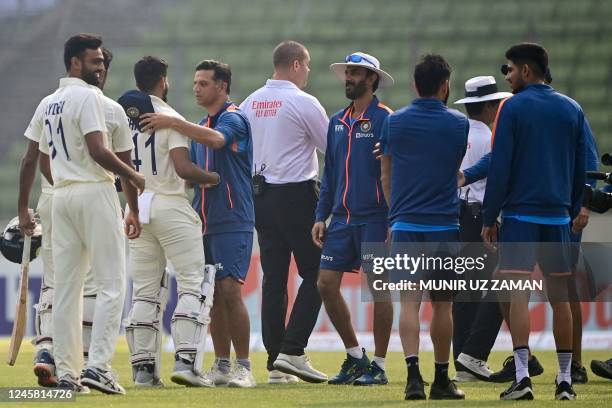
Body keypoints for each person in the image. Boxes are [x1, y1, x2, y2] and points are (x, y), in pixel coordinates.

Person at [35, 33, 144, 394]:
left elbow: (36, 158)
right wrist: (131, 175)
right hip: (94, 191)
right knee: (112, 284)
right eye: (95, 61)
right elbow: (100, 151)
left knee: (66, 289)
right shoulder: (92, 99)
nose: (101, 68)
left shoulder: (49, 101)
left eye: (102, 62)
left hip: (61, 195)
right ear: (74, 63)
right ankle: (97, 366)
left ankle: (67, 374)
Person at [140, 59, 256, 388]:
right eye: (194, 82)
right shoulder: (202, 122)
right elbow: (194, 173)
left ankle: (244, 367)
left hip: (233, 217)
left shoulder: (232, 118)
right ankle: (221, 365)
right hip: (202, 220)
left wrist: (172, 122)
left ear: (221, 86)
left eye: (203, 83)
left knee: (231, 290)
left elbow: (217, 141)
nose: (196, 88)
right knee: (212, 294)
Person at [481, 43, 585, 401]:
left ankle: (523, 377)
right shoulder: (572, 108)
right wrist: (571, 209)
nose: (507, 77)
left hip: (521, 217)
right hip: (557, 218)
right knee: (561, 300)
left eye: (509, 70)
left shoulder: (512, 108)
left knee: (518, 298)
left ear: (525, 71)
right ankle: (566, 381)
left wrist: (489, 215)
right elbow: (579, 170)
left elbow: (501, 166)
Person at [120, 56, 220, 388]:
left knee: (146, 292)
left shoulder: (124, 120)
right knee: (193, 282)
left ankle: (144, 371)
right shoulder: (170, 118)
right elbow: (183, 169)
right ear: (164, 81)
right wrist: (214, 178)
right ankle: (186, 362)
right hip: (170, 205)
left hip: (137, 206)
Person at [238, 40, 329, 384]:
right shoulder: (302, 102)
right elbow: (328, 148)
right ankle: (293, 350)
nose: (308, 72)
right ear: (295, 65)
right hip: (297, 194)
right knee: (320, 272)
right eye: (306, 66)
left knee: (274, 279)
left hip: (259, 195)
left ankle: (276, 361)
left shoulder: (249, 102)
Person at [380, 54, 467, 400]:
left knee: (408, 303)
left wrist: (394, 213)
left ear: (416, 85)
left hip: (405, 224)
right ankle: (442, 379)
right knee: (443, 304)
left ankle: (413, 378)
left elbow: (386, 174)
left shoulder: (395, 122)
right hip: (445, 224)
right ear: (445, 86)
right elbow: (452, 167)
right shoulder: (458, 124)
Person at [313, 52, 394, 386]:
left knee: (378, 290)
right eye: (347, 73)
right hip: (342, 221)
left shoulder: (386, 118)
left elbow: (395, 171)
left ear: (372, 79)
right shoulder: (336, 121)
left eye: (355, 73)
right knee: (325, 284)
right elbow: (330, 172)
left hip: (376, 219)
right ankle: (356, 356)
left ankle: (380, 364)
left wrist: (394, 219)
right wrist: (321, 215)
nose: (348, 78)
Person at [450, 76, 511, 382]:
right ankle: (473, 355)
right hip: (482, 217)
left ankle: (462, 357)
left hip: (459, 214)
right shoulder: (490, 137)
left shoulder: (458, 133)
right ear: (489, 106)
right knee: (501, 287)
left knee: (465, 291)